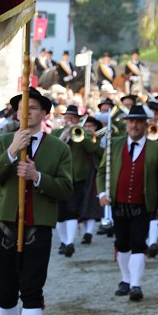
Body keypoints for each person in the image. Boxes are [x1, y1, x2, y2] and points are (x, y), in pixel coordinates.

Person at [0, 87, 72, 315]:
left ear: (44, 113)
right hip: (6, 227)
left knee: (32, 292)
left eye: (33, 108)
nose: (27, 112)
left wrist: (37, 177)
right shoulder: (1, 141)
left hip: (38, 229)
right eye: (22, 108)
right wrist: (11, 153)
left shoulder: (59, 148)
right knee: (6, 292)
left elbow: (65, 189)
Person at [96, 104, 158, 301]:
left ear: (146, 125)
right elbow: (102, 171)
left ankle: (136, 284)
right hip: (118, 203)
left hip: (143, 204)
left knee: (138, 242)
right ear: (127, 124)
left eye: (138, 121)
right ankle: (126, 279)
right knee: (122, 243)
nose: (134, 125)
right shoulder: (115, 144)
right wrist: (102, 193)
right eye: (131, 121)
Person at [54, 105, 101, 258]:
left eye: (71, 118)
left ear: (78, 120)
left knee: (72, 210)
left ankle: (69, 243)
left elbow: (92, 149)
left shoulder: (85, 133)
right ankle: (63, 241)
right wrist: (64, 135)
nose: (68, 121)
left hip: (77, 177)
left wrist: (79, 136)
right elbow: (52, 149)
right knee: (59, 213)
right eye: (66, 118)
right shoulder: (56, 133)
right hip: (59, 177)